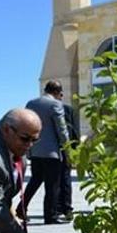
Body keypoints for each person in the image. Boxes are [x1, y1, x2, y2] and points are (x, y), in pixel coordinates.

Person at [19, 80, 70, 224]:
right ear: (57, 92)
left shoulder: (31, 104)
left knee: (35, 181)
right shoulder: (55, 104)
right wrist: (67, 149)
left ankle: (20, 209)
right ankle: (50, 215)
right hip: (52, 152)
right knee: (52, 185)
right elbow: (61, 129)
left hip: (35, 150)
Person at [57, 96, 79, 221]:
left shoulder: (66, 109)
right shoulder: (68, 109)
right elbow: (74, 130)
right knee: (65, 178)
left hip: (56, 148)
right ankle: (66, 207)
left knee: (60, 179)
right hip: (66, 147)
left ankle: (61, 207)